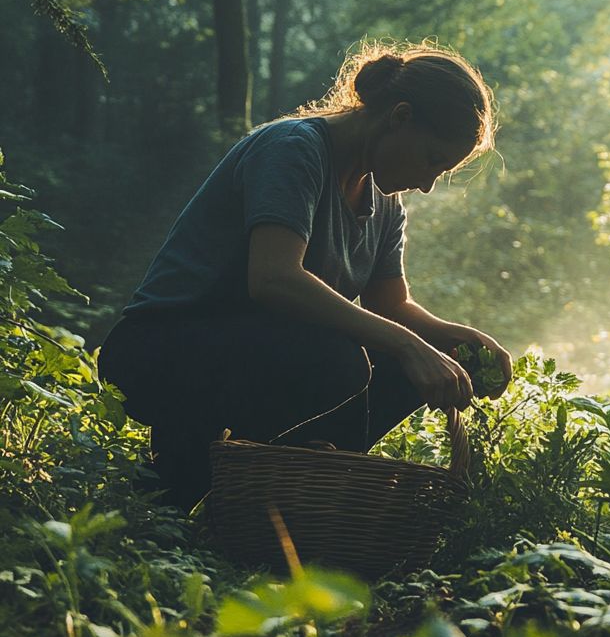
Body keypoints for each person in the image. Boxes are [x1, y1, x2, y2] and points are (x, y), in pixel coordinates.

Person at [98, 41, 512, 512]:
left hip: (259, 355)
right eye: (433, 160)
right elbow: (273, 279)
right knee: (342, 362)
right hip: (160, 350)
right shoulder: (294, 150)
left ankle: (279, 492)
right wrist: (409, 344)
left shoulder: (385, 201)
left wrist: (452, 340)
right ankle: (182, 483)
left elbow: (390, 307)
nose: (426, 183)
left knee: (400, 368)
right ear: (400, 117)